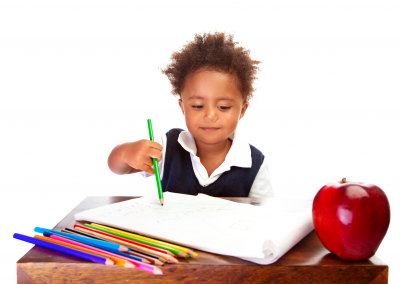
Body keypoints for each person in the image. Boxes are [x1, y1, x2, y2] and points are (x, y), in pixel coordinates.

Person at [108, 32, 274, 198]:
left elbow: (265, 214)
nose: (210, 115)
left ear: (242, 111)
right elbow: (120, 168)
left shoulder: (255, 163)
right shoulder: (168, 148)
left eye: (223, 107)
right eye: (197, 106)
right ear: (183, 107)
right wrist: (125, 153)